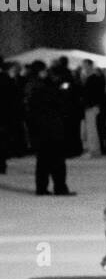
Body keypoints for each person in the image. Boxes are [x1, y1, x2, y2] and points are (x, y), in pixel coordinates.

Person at [24, 65, 74, 195]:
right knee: (57, 161)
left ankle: (41, 187)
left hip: (41, 131)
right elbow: (63, 106)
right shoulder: (53, 90)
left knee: (43, 162)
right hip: (53, 129)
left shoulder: (34, 89)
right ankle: (59, 187)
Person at [79, 59, 106, 156]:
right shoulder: (92, 78)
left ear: (89, 66)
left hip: (91, 106)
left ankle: (93, 150)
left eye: (85, 65)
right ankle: (93, 149)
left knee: (92, 130)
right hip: (91, 106)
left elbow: (94, 94)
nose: (83, 67)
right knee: (90, 129)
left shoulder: (93, 79)